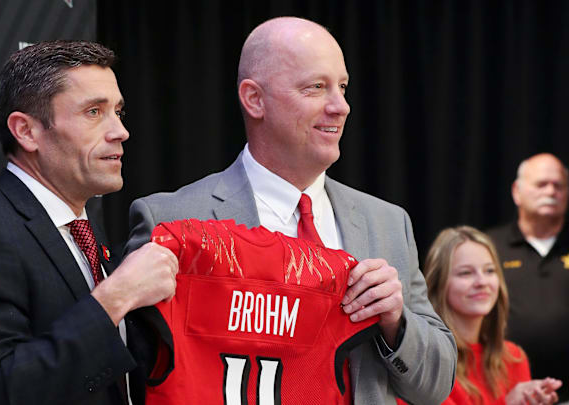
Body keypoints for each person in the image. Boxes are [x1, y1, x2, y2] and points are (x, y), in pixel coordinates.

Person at [125, 17, 457, 404]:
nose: (341, 106)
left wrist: (395, 322)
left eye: (343, 87)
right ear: (254, 99)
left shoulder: (386, 222)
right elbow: (132, 378)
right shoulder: (172, 220)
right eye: (316, 87)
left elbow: (436, 386)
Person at [0, 40, 179, 405]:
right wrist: (116, 296)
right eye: (93, 112)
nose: (120, 131)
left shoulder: (87, 234)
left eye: (118, 112)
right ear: (26, 131)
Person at [420, 226, 561, 404]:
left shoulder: (513, 357)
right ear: (438, 283)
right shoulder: (423, 362)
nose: (482, 282)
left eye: (489, 271)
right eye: (466, 273)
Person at [487, 153, 569, 403]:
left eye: (558, 185)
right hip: (505, 393)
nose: (551, 191)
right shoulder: (490, 246)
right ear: (517, 191)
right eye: (541, 184)